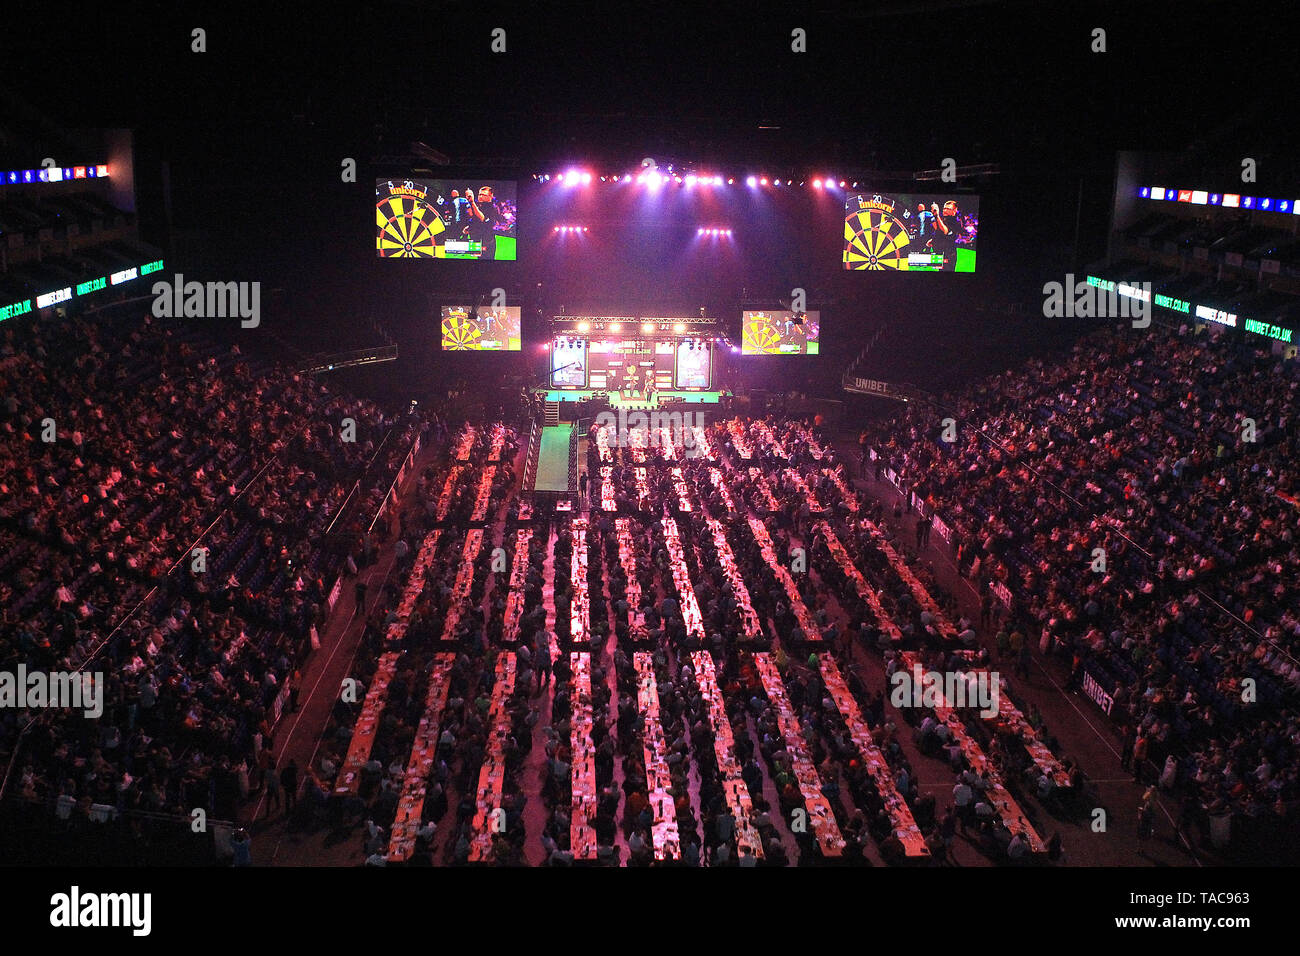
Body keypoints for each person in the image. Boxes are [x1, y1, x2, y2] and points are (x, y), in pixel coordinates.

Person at [464, 185, 500, 260]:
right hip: (477, 240)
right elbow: (476, 221)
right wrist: (470, 228)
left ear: (491, 196)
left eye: (483, 195)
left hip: (487, 242)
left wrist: (472, 202)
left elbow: (483, 219)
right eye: (479, 194)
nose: (480, 196)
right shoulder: (479, 206)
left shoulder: (493, 208)